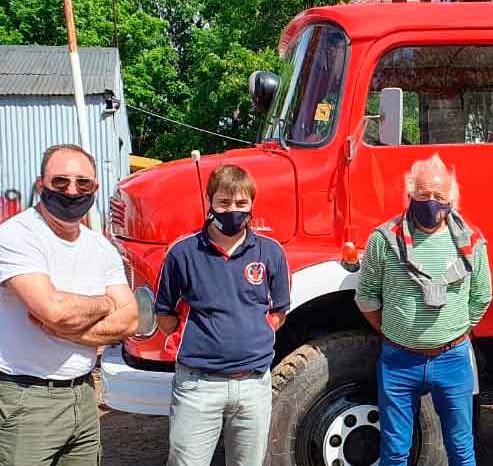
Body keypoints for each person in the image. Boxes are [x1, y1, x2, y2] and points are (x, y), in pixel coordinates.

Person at [0, 144, 139, 465]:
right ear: (40, 185)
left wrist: (66, 330)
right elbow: (54, 310)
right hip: (27, 400)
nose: (72, 191)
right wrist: (106, 303)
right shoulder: (17, 236)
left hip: (85, 395)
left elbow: (130, 319)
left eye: (83, 183)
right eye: (60, 182)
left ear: (95, 188)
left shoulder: (99, 247)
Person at [355, 153, 492, 466]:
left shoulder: (472, 241)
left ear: (452, 198)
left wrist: (454, 329)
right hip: (398, 361)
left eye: (439, 196)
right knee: (394, 452)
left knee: (461, 449)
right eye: (423, 195)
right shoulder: (383, 239)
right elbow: (366, 297)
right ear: (409, 195)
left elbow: (481, 296)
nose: (432, 202)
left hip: (454, 358)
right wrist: (396, 330)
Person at [155, 165, 290, 466]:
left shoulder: (270, 252)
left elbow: (278, 312)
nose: (233, 210)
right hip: (197, 387)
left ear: (252, 204)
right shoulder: (182, 253)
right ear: (209, 203)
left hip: (254, 387)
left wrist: (248, 339)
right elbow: (164, 315)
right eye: (224, 203)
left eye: (241, 204)